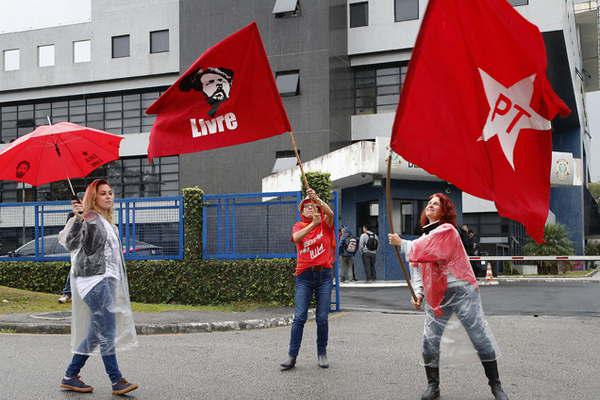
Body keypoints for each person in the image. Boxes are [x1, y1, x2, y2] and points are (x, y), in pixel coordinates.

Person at [388, 193, 509, 400]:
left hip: (462, 291)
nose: (431, 206)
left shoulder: (447, 231)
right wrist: (418, 293)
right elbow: (416, 268)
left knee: (479, 337)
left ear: (444, 211)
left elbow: (431, 251)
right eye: (429, 204)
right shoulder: (422, 239)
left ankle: (496, 386)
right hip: (437, 296)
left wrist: (403, 244)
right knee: (429, 341)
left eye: (436, 204)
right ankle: (433, 386)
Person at [58, 179, 139, 395]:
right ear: (94, 197)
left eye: (111, 192)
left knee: (96, 332)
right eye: (103, 193)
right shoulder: (89, 218)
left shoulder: (108, 223)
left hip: (109, 280)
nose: (109, 196)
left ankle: (70, 376)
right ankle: (116, 380)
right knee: (108, 330)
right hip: (94, 280)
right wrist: (78, 216)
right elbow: (70, 242)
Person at [281, 188, 336, 371]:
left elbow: (331, 213)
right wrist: (312, 224)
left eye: (313, 207)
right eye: (307, 207)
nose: (310, 209)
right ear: (302, 211)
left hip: (324, 277)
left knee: (322, 318)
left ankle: (322, 353)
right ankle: (292, 356)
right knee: (300, 317)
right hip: (304, 277)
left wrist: (317, 199)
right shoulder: (299, 226)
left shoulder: (325, 224)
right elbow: (296, 237)